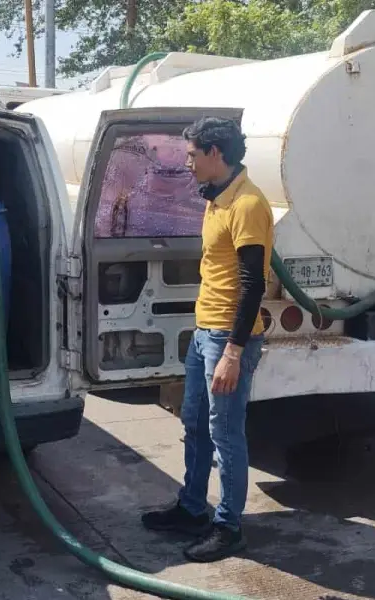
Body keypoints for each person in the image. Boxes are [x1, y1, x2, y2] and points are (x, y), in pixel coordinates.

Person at [141, 117, 273, 562]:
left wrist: (233, 352)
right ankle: (192, 508)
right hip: (205, 333)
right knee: (195, 422)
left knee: (225, 432)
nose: (188, 162)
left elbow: (253, 283)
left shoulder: (248, 204)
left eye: (193, 154)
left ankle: (229, 526)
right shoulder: (218, 197)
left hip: (228, 339)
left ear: (216, 153)